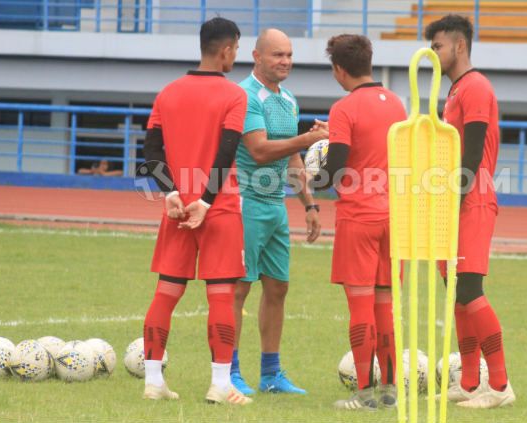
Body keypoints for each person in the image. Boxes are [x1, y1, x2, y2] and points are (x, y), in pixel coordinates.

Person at [139, 17, 252, 406]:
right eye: (236, 49)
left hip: (177, 209)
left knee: (166, 292)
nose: (235, 56)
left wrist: (170, 191)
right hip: (217, 209)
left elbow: (150, 152)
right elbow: (227, 150)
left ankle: (153, 381)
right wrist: (206, 199)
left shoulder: (167, 93)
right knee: (222, 295)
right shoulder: (235, 96)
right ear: (226, 49)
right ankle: (220, 385)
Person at [310, 34, 407, 411]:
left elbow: (335, 170)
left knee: (361, 307)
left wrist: (308, 180)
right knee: (385, 306)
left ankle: (365, 394)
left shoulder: (344, 109)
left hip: (359, 216)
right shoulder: (396, 103)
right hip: (393, 216)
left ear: (338, 69)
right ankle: (391, 391)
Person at [230, 28, 328, 395]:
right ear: (257, 56)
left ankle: (271, 375)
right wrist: (306, 138)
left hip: (275, 207)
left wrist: (310, 204)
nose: (285, 61)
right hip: (246, 204)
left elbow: (292, 158)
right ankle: (230, 371)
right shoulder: (244, 96)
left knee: (278, 287)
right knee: (238, 289)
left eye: (289, 55)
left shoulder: (288, 99)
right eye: (277, 55)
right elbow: (258, 150)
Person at [425, 14, 516, 408]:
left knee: (469, 290)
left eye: (438, 47)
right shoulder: (456, 91)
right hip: (454, 200)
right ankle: (469, 379)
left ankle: (499, 386)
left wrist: (454, 201)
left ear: (459, 47)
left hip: (472, 199)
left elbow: (474, 152)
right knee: (456, 298)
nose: (433, 54)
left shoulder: (475, 87)